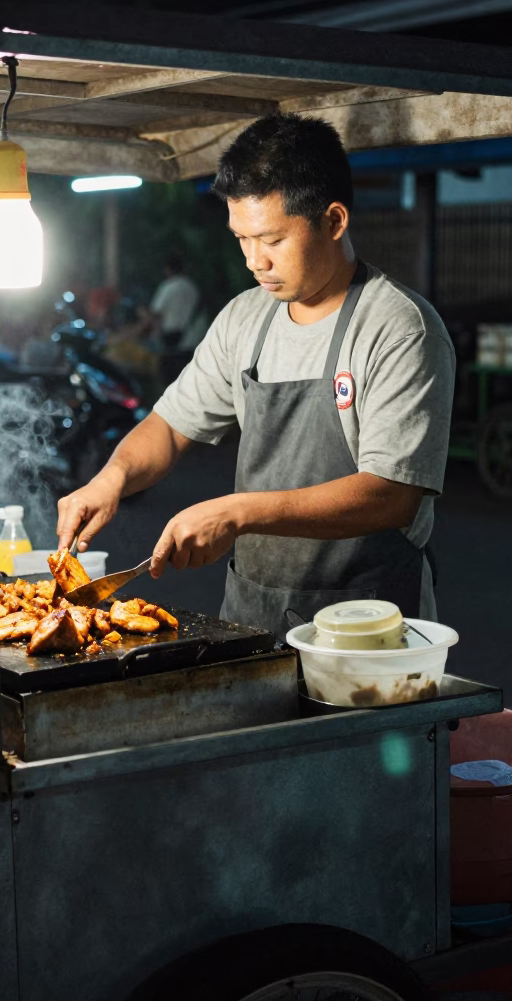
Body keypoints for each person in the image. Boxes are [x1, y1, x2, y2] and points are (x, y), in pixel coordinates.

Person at [56, 114, 455, 638]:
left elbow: (391, 493)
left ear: (334, 221)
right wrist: (111, 479)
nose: (254, 261)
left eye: (271, 239)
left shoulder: (398, 327)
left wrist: (240, 512)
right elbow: (172, 426)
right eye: (241, 238)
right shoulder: (246, 318)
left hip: (369, 628)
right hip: (252, 616)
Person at [147, 254, 202, 385]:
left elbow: (156, 313)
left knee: (168, 380)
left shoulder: (168, 287)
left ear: (167, 269)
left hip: (170, 340)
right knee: (187, 380)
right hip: (191, 339)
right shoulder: (192, 287)